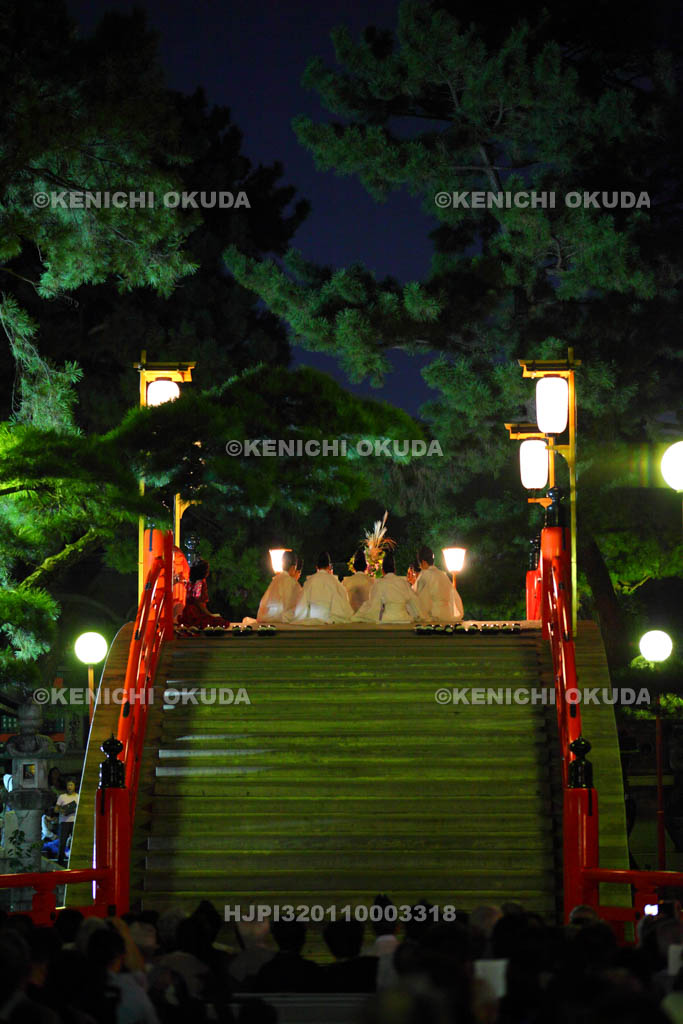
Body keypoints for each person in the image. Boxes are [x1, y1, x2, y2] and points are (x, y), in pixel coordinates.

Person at [287, 552, 353, 623]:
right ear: (329, 566)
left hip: (313, 623)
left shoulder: (309, 582)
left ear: (316, 567)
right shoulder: (335, 582)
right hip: (330, 623)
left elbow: (302, 607)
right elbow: (343, 609)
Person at [354, 553, 420, 623]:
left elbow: (373, 606)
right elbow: (413, 602)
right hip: (405, 619)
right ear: (394, 570)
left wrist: (358, 616)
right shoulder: (403, 583)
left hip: (387, 620)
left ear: (382, 571)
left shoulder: (380, 583)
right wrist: (417, 615)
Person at [413, 545, 464, 621]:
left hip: (433, 616)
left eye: (420, 565)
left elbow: (417, 597)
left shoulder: (425, 575)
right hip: (447, 615)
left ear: (423, 562)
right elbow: (454, 596)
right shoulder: (443, 575)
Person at [178, 560, 230, 628]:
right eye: (207, 570)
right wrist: (209, 614)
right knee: (221, 623)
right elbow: (198, 601)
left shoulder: (191, 582)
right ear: (203, 571)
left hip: (187, 613)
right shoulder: (199, 583)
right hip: (195, 613)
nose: (208, 572)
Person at [256, 550, 302, 622]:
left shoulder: (275, 580)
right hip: (281, 619)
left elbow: (263, 604)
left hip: (266, 618)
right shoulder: (292, 582)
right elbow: (300, 603)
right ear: (293, 568)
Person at [54, 778, 79, 867]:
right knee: (62, 842)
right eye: (68, 785)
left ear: (75, 786)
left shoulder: (78, 796)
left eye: (71, 785)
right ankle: (60, 861)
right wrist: (62, 810)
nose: (69, 787)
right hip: (64, 822)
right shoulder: (62, 797)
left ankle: (74, 860)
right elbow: (55, 809)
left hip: (74, 822)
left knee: (75, 842)